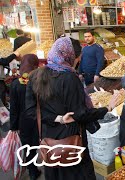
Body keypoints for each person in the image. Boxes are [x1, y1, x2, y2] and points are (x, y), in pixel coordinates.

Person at [24, 37, 119, 180]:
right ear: (69, 55)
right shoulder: (69, 78)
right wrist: (107, 108)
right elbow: (80, 114)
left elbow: (31, 111)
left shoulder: (36, 75)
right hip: (72, 139)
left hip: (49, 139)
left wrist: (58, 118)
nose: (77, 61)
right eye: (77, 58)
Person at [9, 54, 41, 180]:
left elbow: (14, 108)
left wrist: (13, 126)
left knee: (28, 147)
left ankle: (32, 172)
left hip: (24, 121)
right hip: (39, 119)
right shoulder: (39, 80)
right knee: (41, 143)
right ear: (35, 65)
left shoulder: (16, 84)